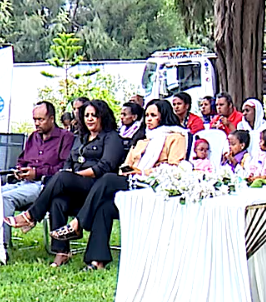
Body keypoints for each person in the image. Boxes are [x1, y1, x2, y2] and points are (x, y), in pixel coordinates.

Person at [49, 99, 189, 270]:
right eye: (146, 115)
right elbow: (125, 166)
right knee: (104, 206)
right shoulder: (143, 140)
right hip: (132, 184)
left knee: (108, 178)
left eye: (153, 115)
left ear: (164, 116)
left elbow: (174, 168)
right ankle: (97, 261)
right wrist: (129, 171)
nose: (148, 119)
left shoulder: (176, 137)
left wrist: (141, 172)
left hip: (154, 188)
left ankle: (78, 223)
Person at [5, 101, 125, 267]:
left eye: (94, 115)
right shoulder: (81, 137)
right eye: (86, 115)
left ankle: (31, 216)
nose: (90, 119)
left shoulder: (112, 138)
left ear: (102, 117)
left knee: (62, 177)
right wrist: (70, 173)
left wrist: (74, 175)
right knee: (58, 201)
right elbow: (69, 161)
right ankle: (61, 252)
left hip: (98, 186)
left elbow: (105, 167)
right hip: (78, 187)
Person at [2, 103, 74, 250]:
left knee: (5, 198)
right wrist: (20, 170)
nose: (37, 123)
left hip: (45, 185)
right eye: (35, 119)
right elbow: (22, 160)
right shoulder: (33, 137)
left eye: (41, 119)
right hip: (23, 182)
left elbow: (64, 169)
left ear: (51, 119)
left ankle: (2, 246)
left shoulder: (65, 137)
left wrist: (37, 172)